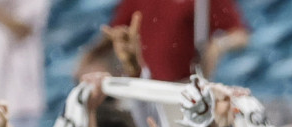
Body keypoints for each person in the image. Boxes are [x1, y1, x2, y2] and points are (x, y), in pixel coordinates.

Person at [89, 0, 249, 82]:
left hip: (182, 90)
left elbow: (241, 34)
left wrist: (218, 45)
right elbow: (116, 31)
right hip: (143, 85)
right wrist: (90, 57)